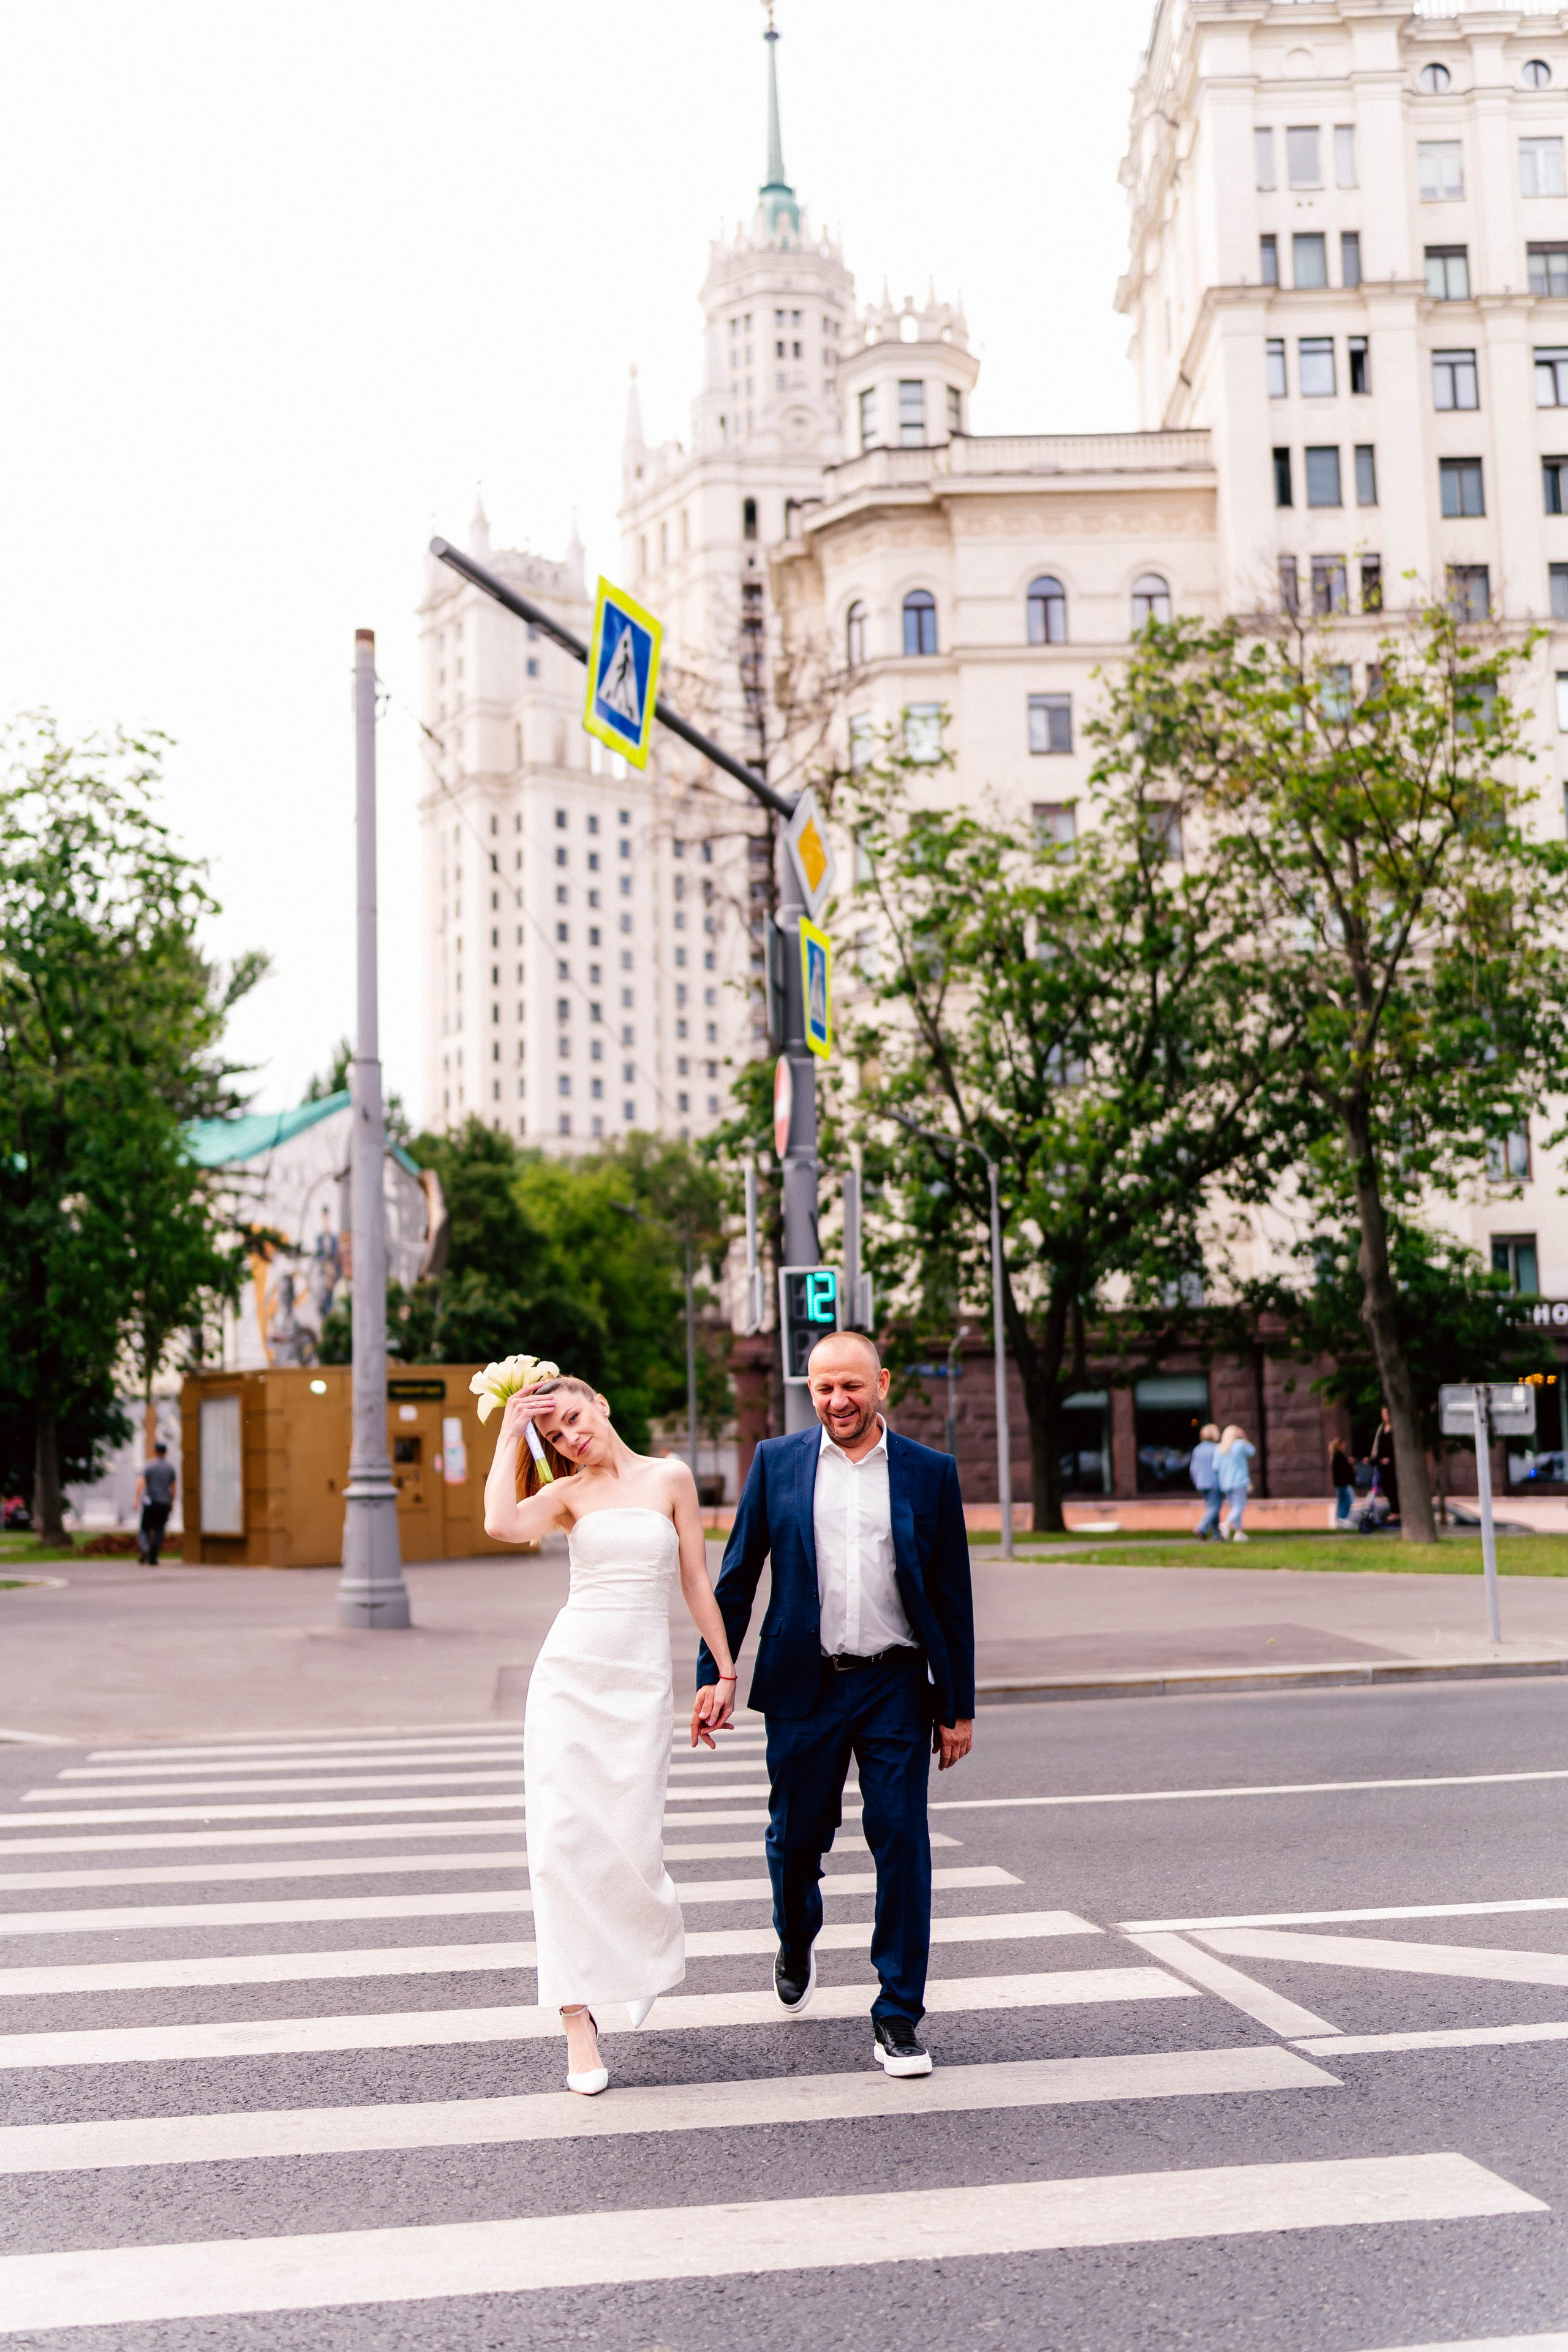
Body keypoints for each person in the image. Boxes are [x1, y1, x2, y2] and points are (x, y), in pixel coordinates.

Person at [698, 1330, 975, 2081]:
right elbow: (735, 1578)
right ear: (809, 1389)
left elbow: (951, 1598)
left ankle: (897, 2016)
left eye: (850, 1386)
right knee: (793, 1842)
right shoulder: (777, 1464)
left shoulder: (928, 1473)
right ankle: (796, 1934)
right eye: (823, 1388)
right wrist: (714, 1671)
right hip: (803, 1683)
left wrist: (957, 1707)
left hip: (893, 1683)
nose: (837, 1401)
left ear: (880, 1383)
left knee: (902, 1845)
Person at [481, 1373, 737, 2098]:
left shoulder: (672, 1478)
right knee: (560, 1846)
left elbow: (695, 1580)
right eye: (554, 1434)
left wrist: (722, 1671)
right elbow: (500, 1523)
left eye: (572, 1419)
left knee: (632, 1840)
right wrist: (510, 1436)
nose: (570, 1438)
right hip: (569, 1679)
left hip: (639, 1684)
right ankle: (575, 2021)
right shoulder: (565, 1495)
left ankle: (638, 1958)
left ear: (601, 1402)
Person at [134, 1443, 177, 1565]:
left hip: (150, 1503)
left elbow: (141, 1483)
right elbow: (174, 1488)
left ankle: (146, 1547)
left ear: (154, 1451)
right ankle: (153, 1557)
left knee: (144, 1529)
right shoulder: (170, 1468)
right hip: (164, 1504)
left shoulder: (149, 1466)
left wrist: (136, 1500)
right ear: (165, 1453)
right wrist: (171, 1502)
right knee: (159, 1530)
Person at [1215, 1425, 1256, 1543]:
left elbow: (1215, 1467)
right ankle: (1226, 1525)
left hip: (1225, 1483)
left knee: (1234, 1507)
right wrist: (1244, 1438)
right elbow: (1252, 1452)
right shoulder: (1240, 1445)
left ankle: (1239, 1533)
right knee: (1239, 1507)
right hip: (1239, 1481)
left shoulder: (1219, 1448)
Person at [1190, 1422, 1222, 1540]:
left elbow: (1193, 1468)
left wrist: (1196, 1481)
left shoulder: (1197, 1449)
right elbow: (1219, 1467)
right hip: (1214, 1482)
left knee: (1212, 1507)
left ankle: (1216, 1535)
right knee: (1215, 1507)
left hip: (1201, 1483)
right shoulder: (1216, 1449)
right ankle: (1201, 1527)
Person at [1370, 1406, 1401, 1524]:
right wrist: (1375, 1458)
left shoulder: (1395, 1428)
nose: (1385, 1416)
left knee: (1393, 1488)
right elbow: (1377, 1445)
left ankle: (1396, 1512)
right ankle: (1394, 1511)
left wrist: (1390, 1459)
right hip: (1382, 1464)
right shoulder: (1382, 1428)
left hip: (1392, 1464)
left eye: (1387, 1413)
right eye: (1383, 1413)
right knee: (1386, 1488)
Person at [1330, 1436, 1356, 1528]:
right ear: (1339, 1446)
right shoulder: (1339, 1456)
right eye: (1343, 1444)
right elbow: (1343, 1470)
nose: (1344, 1446)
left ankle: (1339, 1519)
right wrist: (1350, 1465)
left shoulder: (1336, 1456)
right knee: (1348, 1500)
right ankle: (1342, 1518)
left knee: (1342, 1501)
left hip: (1340, 1483)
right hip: (1343, 1483)